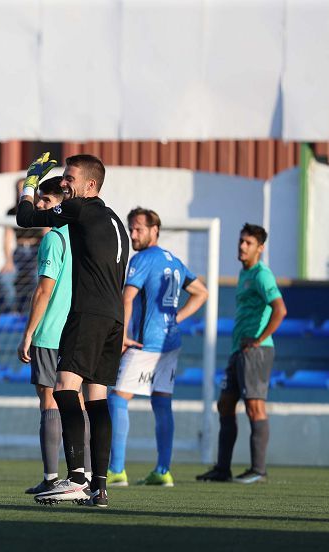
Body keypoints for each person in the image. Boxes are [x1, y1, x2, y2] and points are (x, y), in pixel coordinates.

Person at [16, 153, 129, 508]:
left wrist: (31, 182)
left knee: (63, 389)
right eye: (64, 178)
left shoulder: (80, 209)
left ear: (90, 185)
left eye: (70, 178)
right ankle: (99, 486)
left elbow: (26, 217)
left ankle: (76, 478)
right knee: (96, 399)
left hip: (90, 314)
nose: (64, 183)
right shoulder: (115, 220)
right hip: (113, 318)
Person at [107, 208, 208, 487]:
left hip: (145, 342)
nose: (133, 234)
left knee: (117, 399)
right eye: (131, 229)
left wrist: (124, 336)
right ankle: (163, 471)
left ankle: (116, 470)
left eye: (139, 228)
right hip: (170, 341)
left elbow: (127, 298)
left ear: (155, 230)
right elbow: (202, 292)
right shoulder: (174, 261)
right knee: (161, 403)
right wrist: (178, 318)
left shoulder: (142, 259)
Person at [16, 177, 92, 495]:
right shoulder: (84, 236)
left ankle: (50, 478)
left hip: (51, 332)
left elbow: (44, 290)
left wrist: (28, 333)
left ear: (56, 203)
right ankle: (85, 477)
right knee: (79, 402)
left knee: (49, 400)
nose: (40, 208)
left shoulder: (53, 239)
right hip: (80, 329)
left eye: (44, 202)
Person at [197, 224, 286, 484]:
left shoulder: (262, 275)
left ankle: (258, 469)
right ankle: (222, 469)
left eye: (248, 243)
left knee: (254, 407)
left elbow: (280, 309)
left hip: (256, 351)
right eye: (241, 241)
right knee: (225, 404)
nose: (242, 246)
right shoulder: (244, 273)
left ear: (260, 248)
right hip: (240, 350)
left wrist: (258, 339)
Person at [3, 177, 47, 313]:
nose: (23, 192)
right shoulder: (11, 212)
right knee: (6, 277)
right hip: (19, 252)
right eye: (20, 189)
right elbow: (7, 239)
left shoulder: (40, 209)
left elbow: (47, 234)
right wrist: (8, 261)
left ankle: (35, 310)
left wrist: (42, 259)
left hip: (37, 250)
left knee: (37, 276)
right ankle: (13, 310)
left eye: (26, 189)